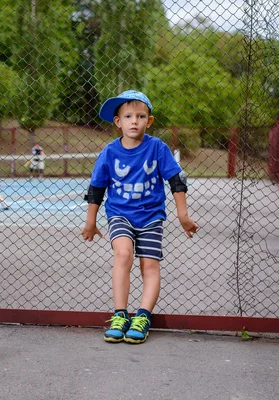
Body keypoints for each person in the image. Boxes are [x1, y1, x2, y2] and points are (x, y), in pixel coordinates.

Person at [81, 90, 199, 344]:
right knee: (123, 254)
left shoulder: (157, 148)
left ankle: (142, 316)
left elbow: (176, 179)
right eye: (128, 116)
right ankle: (120, 315)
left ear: (150, 121)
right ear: (118, 122)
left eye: (141, 116)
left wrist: (183, 215)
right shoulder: (110, 152)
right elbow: (97, 187)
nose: (134, 121)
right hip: (120, 214)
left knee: (149, 265)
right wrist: (91, 221)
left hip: (151, 217)